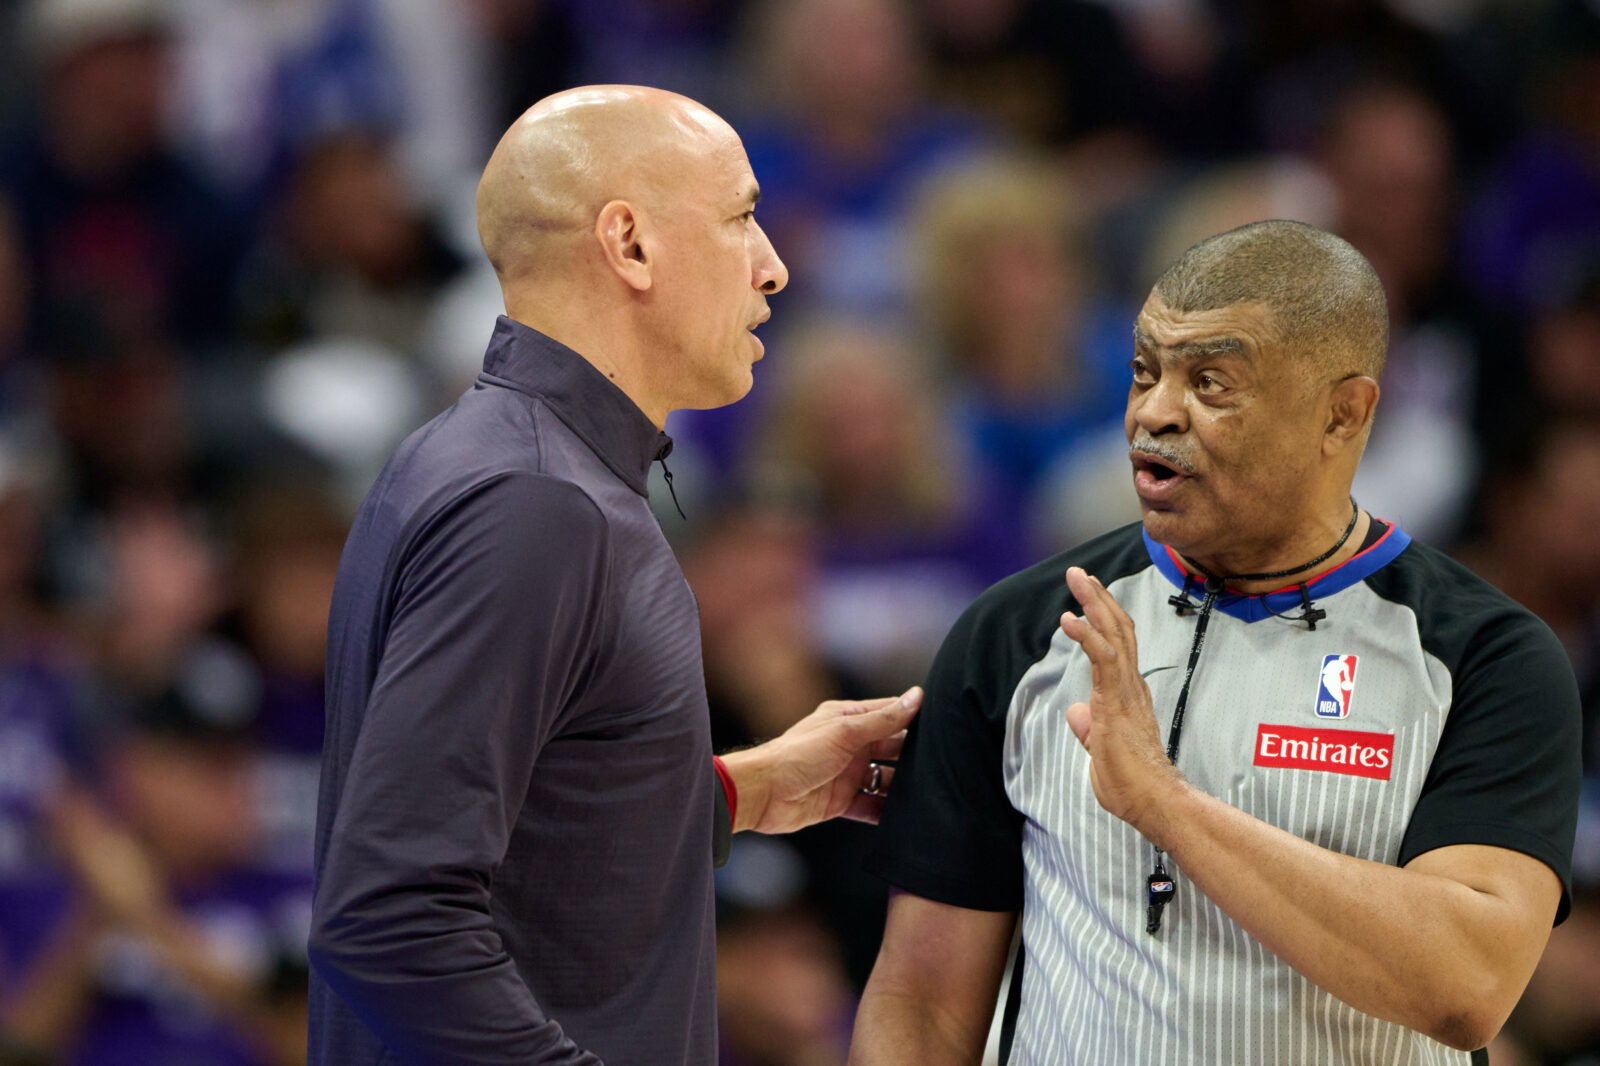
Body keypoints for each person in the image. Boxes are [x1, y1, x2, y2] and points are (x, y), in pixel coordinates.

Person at [849, 220, 1581, 1066]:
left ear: (1342, 415)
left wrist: (1168, 806)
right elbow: (923, 1004)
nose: (1155, 412)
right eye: (1144, 371)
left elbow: (1465, 985)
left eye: (1211, 382)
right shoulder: (1018, 633)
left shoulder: (1486, 658)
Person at [306, 85, 922, 1066]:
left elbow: (529, 842)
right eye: (740, 219)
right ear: (629, 244)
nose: (774, 267)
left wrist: (741, 792)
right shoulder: (535, 504)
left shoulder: (494, 460)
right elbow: (387, 916)